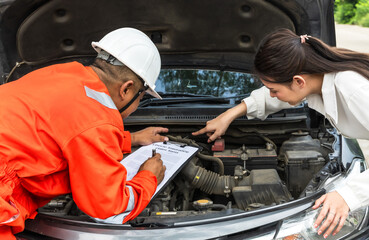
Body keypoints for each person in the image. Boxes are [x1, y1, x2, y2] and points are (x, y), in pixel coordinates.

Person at [192, 28, 369, 238]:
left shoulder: (353, 89)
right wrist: (231, 113)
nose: (272, 94)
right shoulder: (316, 79)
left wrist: (347, 196)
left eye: (273, 89)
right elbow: (277, 96)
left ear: (298, 81)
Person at [0, 27, 168, 239]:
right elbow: (108, 205)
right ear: (126, 89)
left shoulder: (65, 73)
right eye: (141, 97)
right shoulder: (99, 117)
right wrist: (148, 177)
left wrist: (130, 139)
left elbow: (64, 129)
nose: (138, 104)